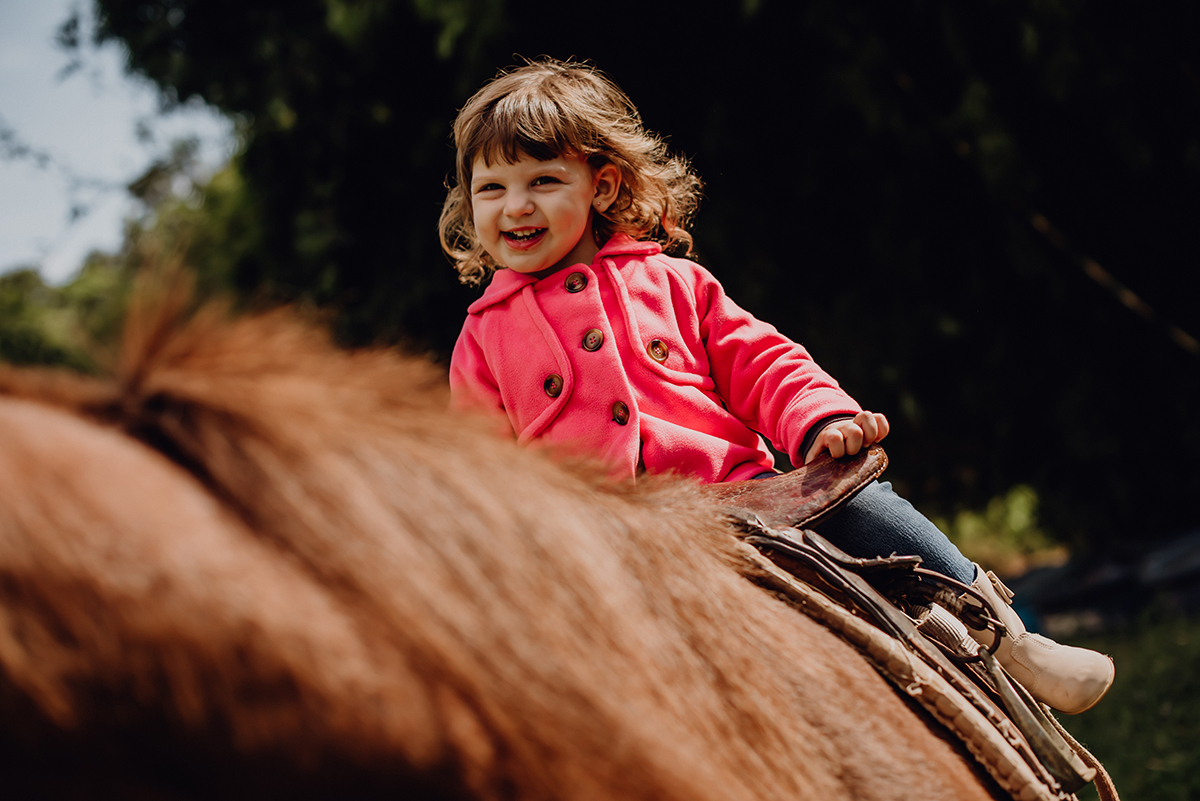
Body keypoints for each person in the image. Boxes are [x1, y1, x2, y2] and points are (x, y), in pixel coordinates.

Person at [440, 58, 1113, 714]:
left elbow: (762, 361)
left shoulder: (674, 284)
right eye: (491, 188)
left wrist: (819, 419)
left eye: (543, 180)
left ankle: (1004, 635)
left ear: (604, 187)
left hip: (740, 498)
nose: (514, 206)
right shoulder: (483, 336)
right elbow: (481, 463)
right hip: (591, 537)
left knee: (861, 501)